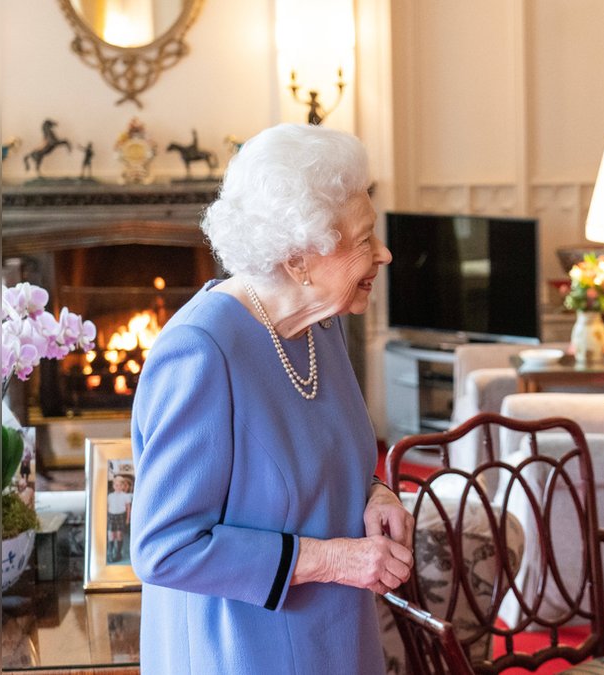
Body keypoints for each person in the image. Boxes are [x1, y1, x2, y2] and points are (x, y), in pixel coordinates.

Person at [131, 123, 412, 674]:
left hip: (334, 637)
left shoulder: (320, 325)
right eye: (362, 241)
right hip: (239, 651)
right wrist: (334, 558)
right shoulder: (201, 352)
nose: (384, 254)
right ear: (298, 260)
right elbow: (165, 547)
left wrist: (376, 492)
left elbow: (325, 455)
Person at [107, 472, 133, 563]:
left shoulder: (126, 496)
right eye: (116, 485)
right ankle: (110, 553)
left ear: (123, 486)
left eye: (120, 485)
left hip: (121, 516)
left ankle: (118, 554)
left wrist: (128, 519)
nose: (117, 487)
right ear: (113, 486)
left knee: (119, 535)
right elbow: (107, 507)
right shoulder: (110, 496)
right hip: (111, 517)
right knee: (111, 536)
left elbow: (128, 508)